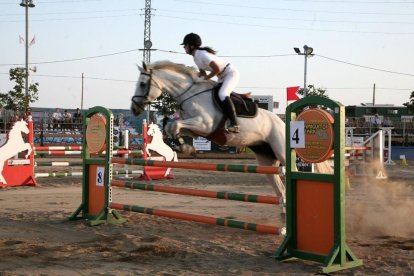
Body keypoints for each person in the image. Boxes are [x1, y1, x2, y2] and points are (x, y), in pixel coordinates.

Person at [181, 33, 240, 133]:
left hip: (230, 73)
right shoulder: (195, 57)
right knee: (212, 94)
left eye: (185, 45)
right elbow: (202, 73)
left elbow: (216, 69)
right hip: (221, 76)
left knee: (222, 94)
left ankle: (235, 124)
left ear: (192, 46)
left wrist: (205, 78)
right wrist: (192, 79)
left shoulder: (202, 55)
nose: (184, 47)